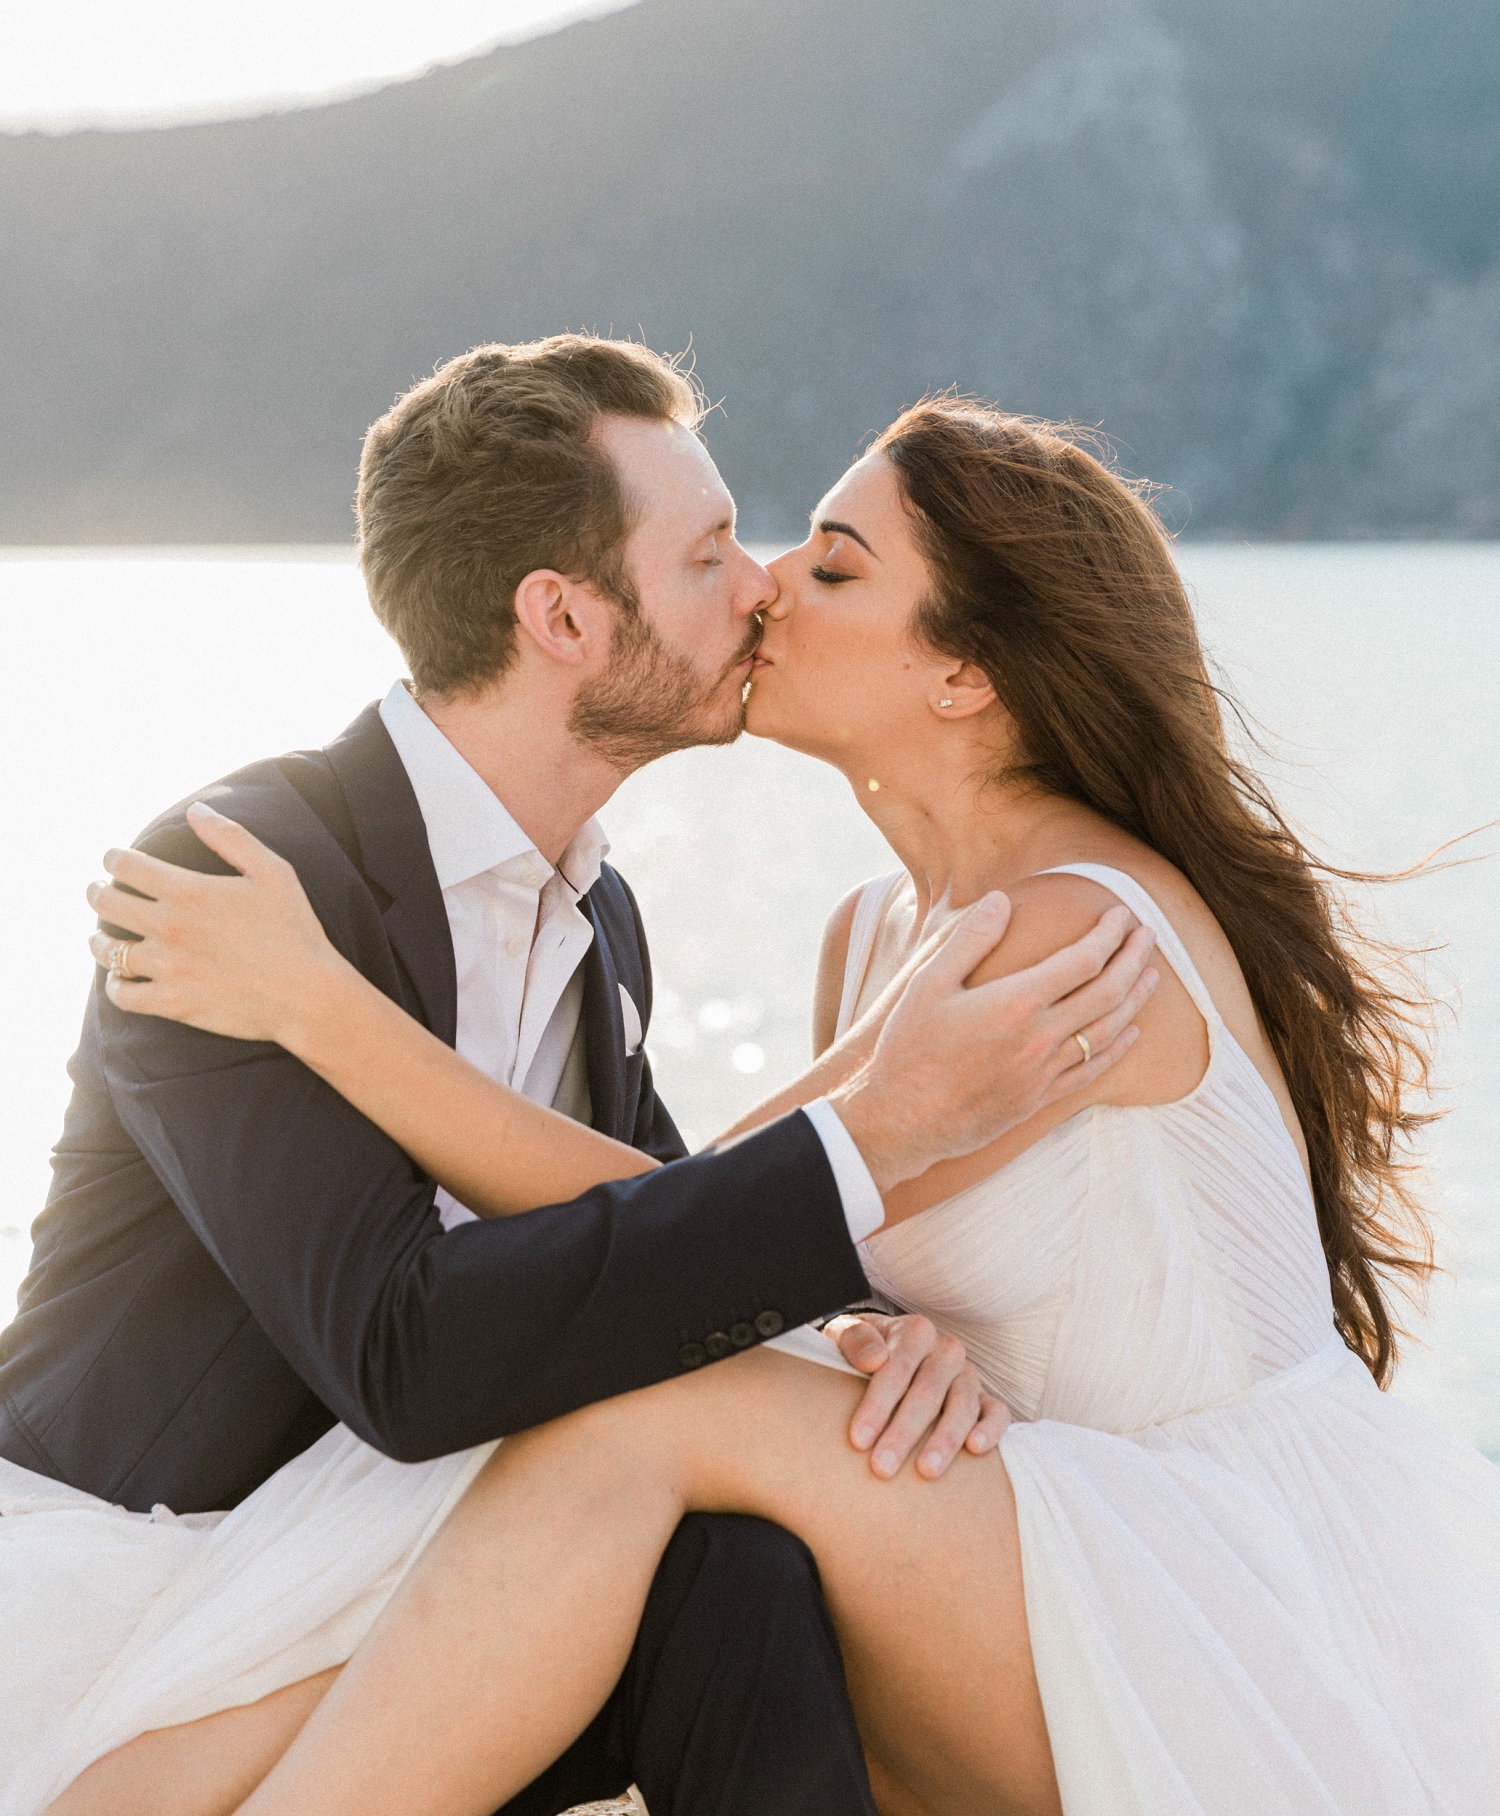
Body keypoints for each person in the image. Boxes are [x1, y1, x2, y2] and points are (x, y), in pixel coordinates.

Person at [28, 389, 1500, 1816]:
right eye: (731, 549)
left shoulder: (1073, 935)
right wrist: (863, 1322)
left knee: (640, 1423)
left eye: (829, 562)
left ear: (961, 672)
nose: (771, 586)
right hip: (1011, 1536)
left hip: (1199, 1578)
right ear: (561, 615)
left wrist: (321, 1007)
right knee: (681, 1492)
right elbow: (696, 1218)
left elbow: (708, 1207)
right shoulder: (875, 933)